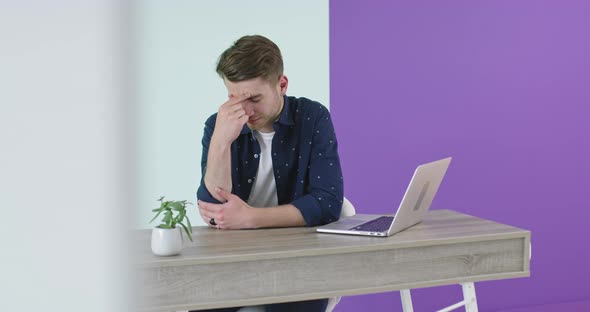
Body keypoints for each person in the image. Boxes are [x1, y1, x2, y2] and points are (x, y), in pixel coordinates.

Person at [195, 35, 343, 312]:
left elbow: (327, 203)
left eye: (254, 98)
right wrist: (220, 142)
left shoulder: (313, 118)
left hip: (296, 261)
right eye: (233, 98)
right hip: (231, 261)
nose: (244, 111)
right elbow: (215, 212)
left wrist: (250, 217)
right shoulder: (218, 125)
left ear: (282, 85)